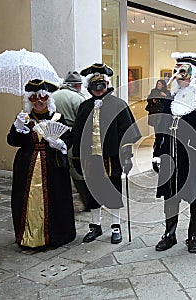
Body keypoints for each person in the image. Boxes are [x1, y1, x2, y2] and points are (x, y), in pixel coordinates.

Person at [153, 52, 196, 253]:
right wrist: (158, 151)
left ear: (193, 75)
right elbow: (161, 126)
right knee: (170, 196)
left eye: (183, 72)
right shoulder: (170, 97)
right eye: (177, 72)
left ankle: (194, 236)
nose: (179, 77)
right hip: (171, 155)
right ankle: (170, 234)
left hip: (195, 157)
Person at [72, 63, 141, 244]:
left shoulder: (118, 104)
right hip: (90, 159)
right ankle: (95, 225)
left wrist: (127, 156)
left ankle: (115, 225)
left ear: (107, 85)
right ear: (89, 87)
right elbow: (77, 133)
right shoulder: (84, 107)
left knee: (113, 191)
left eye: (101, 86)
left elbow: (128, 133)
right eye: (94, 87)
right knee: (92, 191)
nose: (98, 90)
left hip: (111, 158)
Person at [7, 79, 76, 249]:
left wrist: (60, 144)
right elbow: (12, 141)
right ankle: (29, 235)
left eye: (43, 97)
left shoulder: (58, 118)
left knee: (56, 198)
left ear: (48, 98)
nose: (38, 102)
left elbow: (69, 140)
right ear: (29, 100)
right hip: (26, 166)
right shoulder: (23, 119)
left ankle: (55, 235)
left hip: (53, 167)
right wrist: (17, 128)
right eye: (34, 98)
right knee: (25, 199)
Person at [52, 71, 91, 211]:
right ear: (77, 85)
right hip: (74, 137)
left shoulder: (53, 96)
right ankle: (87, 202)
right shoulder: (78, 98)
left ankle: (60, 202)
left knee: (59, 171)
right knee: (78, 172)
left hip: (54, 137)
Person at [145, 79, 172, 172]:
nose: (159, 85)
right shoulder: (154, 91)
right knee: (158, 136)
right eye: (158, 84)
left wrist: (166, 96)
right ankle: (156, 153)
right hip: (157, 117)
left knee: (164, 136)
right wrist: (153, 100)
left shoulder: (167, 92)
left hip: (165, 117)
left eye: (160, 84)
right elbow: (148, 100)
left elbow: (170, 102)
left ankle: (162, 152)